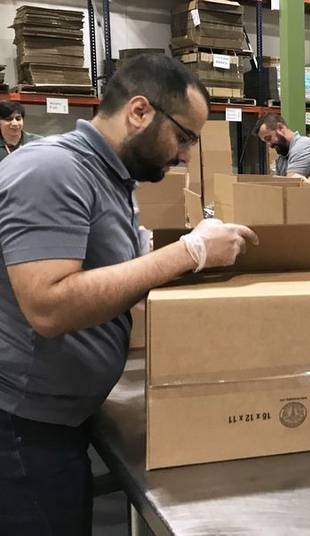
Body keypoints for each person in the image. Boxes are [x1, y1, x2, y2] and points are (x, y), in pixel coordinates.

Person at [0, 54, 257, 534]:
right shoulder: (54, 171)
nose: (184, 155)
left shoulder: (110, 179)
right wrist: (187, 253)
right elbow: (48, 306)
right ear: (139, 111)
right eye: (183, 137)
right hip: (22, 427)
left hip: (60, 418)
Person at [255, 113, 310, 182]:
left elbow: (291, 184)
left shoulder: (304, 145)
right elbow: (279, 186)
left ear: (280, 127)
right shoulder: (281, 157)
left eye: (269, 138)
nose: (269, 145)